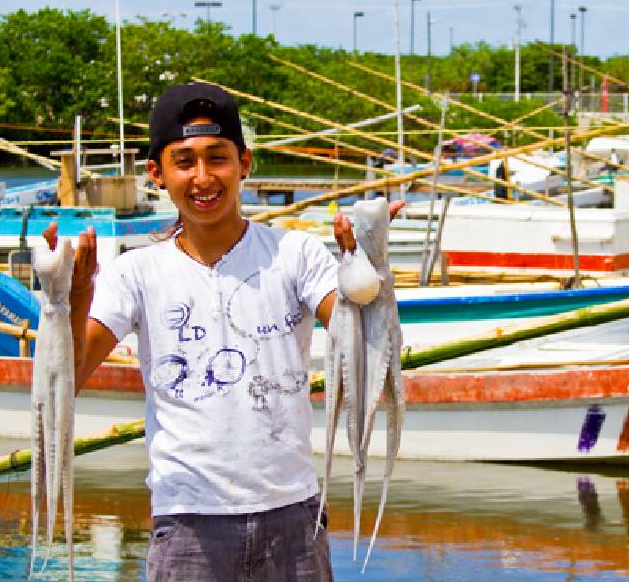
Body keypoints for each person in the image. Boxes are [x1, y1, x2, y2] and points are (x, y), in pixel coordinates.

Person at [42, 82, 402, 581]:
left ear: (245, 164)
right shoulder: (135, 272)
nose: (203, 177)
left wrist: (370, 266)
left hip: (293, 519)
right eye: (184, 161)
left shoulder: (295, 255)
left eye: (218, 158)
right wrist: (70, 298)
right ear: (156, 173)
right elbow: (71, 377)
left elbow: (361, 340)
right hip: (188, 525)